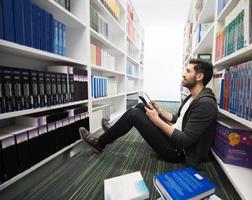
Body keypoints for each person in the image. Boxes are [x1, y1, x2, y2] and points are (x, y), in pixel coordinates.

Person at [79, 58, 217, 168]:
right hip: (174, 137)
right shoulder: (193, 96)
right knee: (141, 106)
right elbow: (178, 119)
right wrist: (159, 111)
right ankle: (112, 133)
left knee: (134, 114)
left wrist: (156, 120)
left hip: (177, 151)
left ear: (199, 76)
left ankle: (100, 143)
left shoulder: (205, 104)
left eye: (188, 71)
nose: (183, 74)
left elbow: (185, 140)